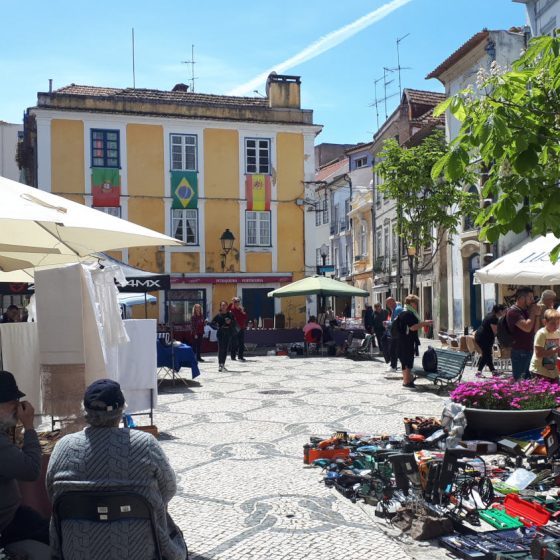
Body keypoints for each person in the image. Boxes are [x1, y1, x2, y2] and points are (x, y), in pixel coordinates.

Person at [46, 379, 187, 560]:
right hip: (138, 549)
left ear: (85, 410)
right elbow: (168, 489)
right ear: (122, 410)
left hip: (77, 550)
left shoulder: (63, 447)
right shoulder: (145, 444)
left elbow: (52, 493)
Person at [0, 371, 50, 559]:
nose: (16, 408)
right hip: (6, 522)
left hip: (11, 514)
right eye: (12, 403)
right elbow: (31, 470)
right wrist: (29, 426)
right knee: (54, 535)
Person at [395, 294, 433, 388]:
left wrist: (422, 323)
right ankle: (407, 381)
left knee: (405, 361)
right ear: (411, 303)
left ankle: (406, 380)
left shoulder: (404, 312)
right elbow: (412, 327)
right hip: (407, 341)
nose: (417, 305)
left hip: (403, 340)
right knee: (408, 361)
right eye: (416, 303)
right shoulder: (408, 313)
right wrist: (424, 323)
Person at [506, 287, 542, 381]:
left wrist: (537, 315)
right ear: (521, 298)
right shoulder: (513, 312)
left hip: (528, 349)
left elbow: (535, 330)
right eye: (530, 298)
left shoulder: (526, 311)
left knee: (529, 381)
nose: (532, 301)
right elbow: (527, 328)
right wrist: (533, 312)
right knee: (520, 381)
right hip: (519, 351)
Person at [474, 304, 507, 377]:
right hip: (484, 338)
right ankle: (479, 372)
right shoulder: (493, 318)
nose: (506, 312)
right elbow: (495, 331)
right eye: (504, 310)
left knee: (488, 354)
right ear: (500, 311)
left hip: (482, 336)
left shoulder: (491, 315)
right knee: (486, 355)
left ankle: (493, 371)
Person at [530, 309, 560, 381]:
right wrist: (555, 350)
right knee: (543, 392)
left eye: (558, 323)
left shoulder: (557, 333)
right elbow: (538, 354)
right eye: (552, 323)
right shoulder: (541, 334)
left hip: (552, 370)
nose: (556, 326)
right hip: (539, 370)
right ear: (545, 322)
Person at [211, 300, 236, 372]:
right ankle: (220, 365)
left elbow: (234, 323)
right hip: (220, 333)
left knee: (225, 350)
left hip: (228, 333)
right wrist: (217, 326)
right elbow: (212, 324)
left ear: (227, 306)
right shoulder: (218, 315)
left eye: (225, 305)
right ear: (220, 306)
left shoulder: (230, 314)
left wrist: (230, 322)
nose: (223, 306)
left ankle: (223, 364)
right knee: (220, 349)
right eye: (222, 305)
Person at [383, 297, 403, 375]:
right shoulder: (395, 309)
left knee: (393, 350)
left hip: (396, 334)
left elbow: (396, 322)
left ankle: (394, 366)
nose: (388, 305)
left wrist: (388, 324)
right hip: (394, 333)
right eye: (387, 304)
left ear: (392, 302)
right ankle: (397, 365)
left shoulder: (398, 309)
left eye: (388, 303)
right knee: (395, 350)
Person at [228, 297, 248, 362]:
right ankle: (233, 356)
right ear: (234, 302)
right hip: (234, 328)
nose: (237, 303)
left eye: (238, 301)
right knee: (234, 343)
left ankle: (240, 356)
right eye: (236, 302)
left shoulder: (241, 309)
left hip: (241, 328)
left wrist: (242, 311)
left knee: (241, 343)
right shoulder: (231, 308)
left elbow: (245, 317)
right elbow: (227, 312)